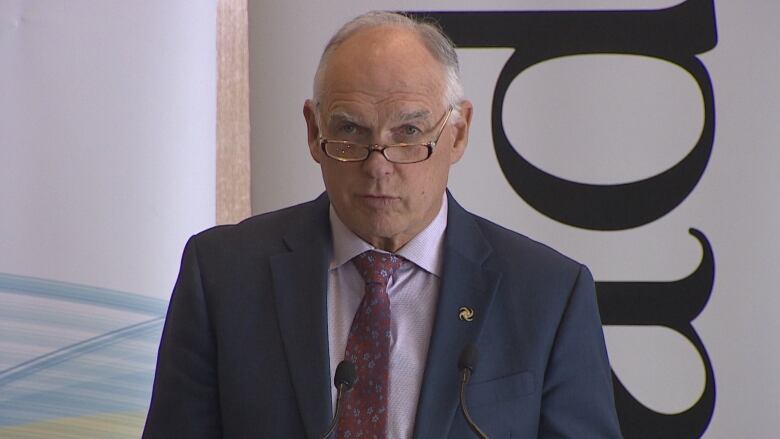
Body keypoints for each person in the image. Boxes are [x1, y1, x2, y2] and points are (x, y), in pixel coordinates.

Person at [143, 11, 622, 439]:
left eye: (409, 133)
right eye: (350, 131)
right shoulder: (224, 275)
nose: (378, 165)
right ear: (314, 131)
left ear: (457, 133)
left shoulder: (547, 294)